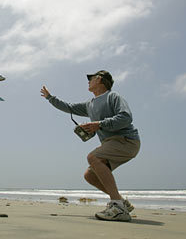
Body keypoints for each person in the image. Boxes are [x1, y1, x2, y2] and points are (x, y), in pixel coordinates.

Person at [40, 70, 140, 222]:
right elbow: (69, 107)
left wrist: (99, 124)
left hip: (126, 140)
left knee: (93, 157)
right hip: (110, 143)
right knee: (90, 175)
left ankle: (118, 208)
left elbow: (126, 117)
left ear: (99, 79)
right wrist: (50, 98)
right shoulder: (90, 104)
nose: (88, 81)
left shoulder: (113, 96)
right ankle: (122, 202)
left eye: (90, 78)